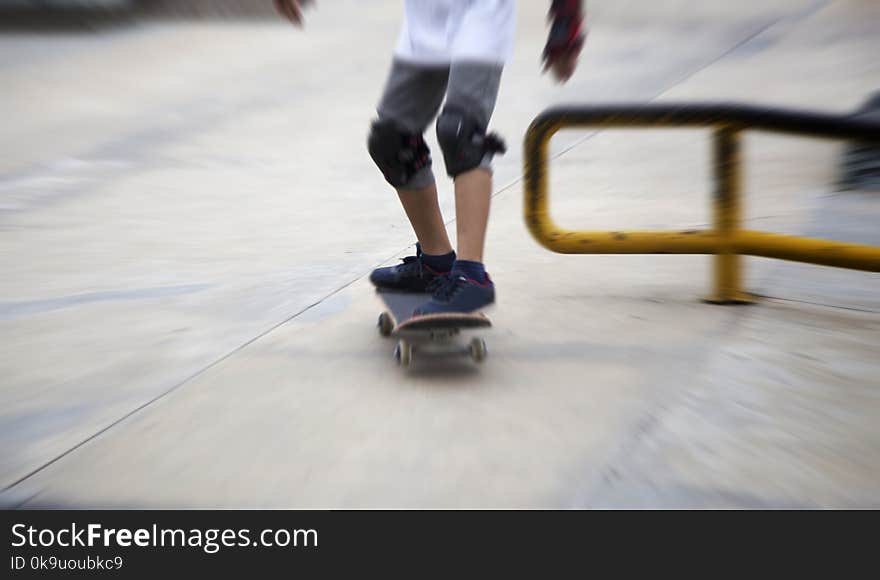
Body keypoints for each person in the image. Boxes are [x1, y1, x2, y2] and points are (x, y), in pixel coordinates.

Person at [275, 0, 585, 316]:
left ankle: (471, 275)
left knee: (461, 131)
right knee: (392, 140)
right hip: (427, 16)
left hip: (483, 13)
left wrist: (566, 20)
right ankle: (437, 263)